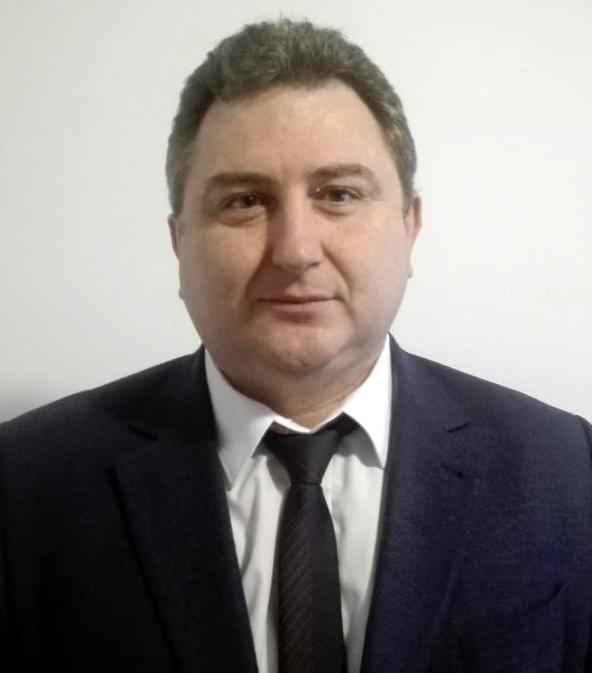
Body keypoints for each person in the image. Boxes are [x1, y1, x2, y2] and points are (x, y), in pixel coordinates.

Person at [1, 17, 591, 673]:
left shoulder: (566, 469)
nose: (295, 251)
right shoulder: (25, 482)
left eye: (338, 194)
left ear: (410, 227)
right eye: (244, 201)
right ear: (180, 242)